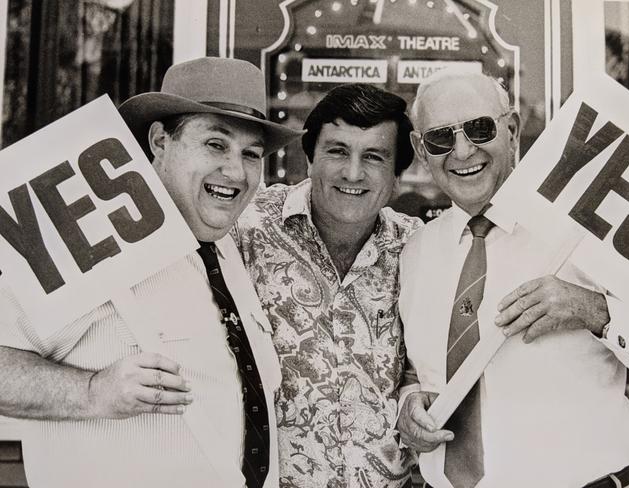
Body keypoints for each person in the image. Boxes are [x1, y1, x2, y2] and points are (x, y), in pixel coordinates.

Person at [0, 57, 302, 488]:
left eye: (251, 154)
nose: (236, 171)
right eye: (215, 144)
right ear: (160, 141)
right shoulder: (87, 233)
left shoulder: (230, 249)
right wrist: (92, 392)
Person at [397, 69, 629, 488]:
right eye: (440, 137)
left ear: (511, 130)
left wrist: (593, 310)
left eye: (480, 129)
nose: (461, 152)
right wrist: (409, 404)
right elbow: (414, 370)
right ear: (420, 151)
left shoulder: (586, 228)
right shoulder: (416, 251)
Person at [234, 83, 421, 488]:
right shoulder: (244, 231)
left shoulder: (418, 249)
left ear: (396, 178)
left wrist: (415, 391)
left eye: (373, 156)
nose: (353, 173)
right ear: (309, 159)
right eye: (337, 151)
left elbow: (429, 364)